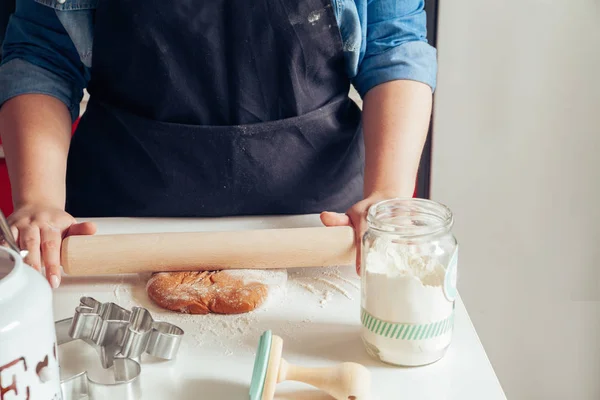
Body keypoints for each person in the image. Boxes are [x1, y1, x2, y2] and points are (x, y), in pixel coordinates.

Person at [0, 0, 437, 289]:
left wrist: (388, 196)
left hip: (322, 233)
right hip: (113, 233)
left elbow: (392, 43)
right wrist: (39, 199)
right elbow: (43, 55)